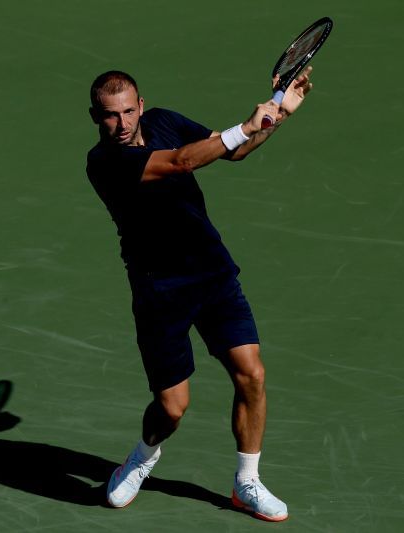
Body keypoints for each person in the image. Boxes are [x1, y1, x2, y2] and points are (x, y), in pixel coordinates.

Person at [85, 68, 313, 522]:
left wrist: (278, 117)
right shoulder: (104, 163)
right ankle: (143, 457)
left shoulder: (165, 121)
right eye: (111, 116)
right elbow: (182, 162)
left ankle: (246, 482)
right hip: (159, 289)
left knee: (252, 374)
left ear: (142, 105)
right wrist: (245, 125)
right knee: (172, 408)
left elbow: (234, 151)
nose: (123, 123)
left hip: (212, 272)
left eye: (129, 110)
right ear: (96, 117)